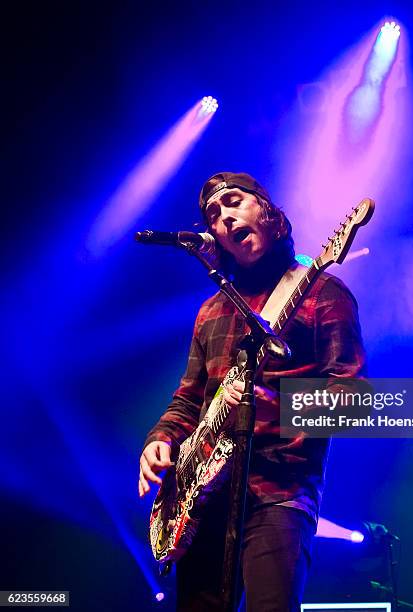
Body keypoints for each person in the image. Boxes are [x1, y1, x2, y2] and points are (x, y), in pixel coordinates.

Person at [138, 172, 367, 611]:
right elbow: (189, 398)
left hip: (279, 492)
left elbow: (353, 397)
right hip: (203, 500)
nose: (224, 216)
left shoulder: (323, 293)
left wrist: (280, 409)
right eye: (213, 214)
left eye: (234, 202)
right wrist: (159, 440)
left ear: (268, 213)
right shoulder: (210, 312)